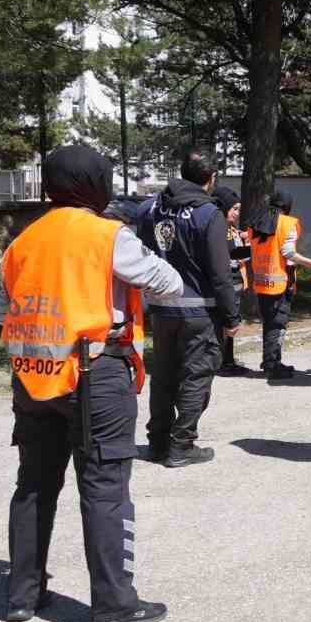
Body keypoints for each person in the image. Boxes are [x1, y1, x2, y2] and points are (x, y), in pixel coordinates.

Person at [0, 144, 182, 622]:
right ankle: (114, 605)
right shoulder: (108, 235)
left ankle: (22, 594)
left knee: (35, 484)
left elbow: (4, 311)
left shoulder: (23, 241)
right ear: (94, 183)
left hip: (33, 373)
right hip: (94, 373)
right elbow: (169, 283)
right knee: (104, 488)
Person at [136, 147, 241, 468]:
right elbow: (220, 272)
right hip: (199, 312)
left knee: (164, 375)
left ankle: (157, 441)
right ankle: (182, 445)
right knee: (196, 376)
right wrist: (231, 315)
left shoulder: (149, 208)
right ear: (211, 179)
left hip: (161, 308)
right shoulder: (209, 214)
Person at [247, 191, 311, 379]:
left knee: (269, 323)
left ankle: (270, 361)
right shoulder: (288, 223)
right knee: (278, 324)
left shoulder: (255, 224)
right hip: (280, 283)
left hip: (261, 282)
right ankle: (273, 365)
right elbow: (288, 252)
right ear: (287, 207)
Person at [211, 185, 251, 375]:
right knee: (227, 323)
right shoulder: (222, 228)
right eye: (234, 209)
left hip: (234, 281)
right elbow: (232, 254)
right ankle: (224, 362)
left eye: (238, 210)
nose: (236, 213)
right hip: (227, 280)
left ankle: (227, 359)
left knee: (229, 323)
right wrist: (253, 250)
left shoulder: (230, 228)